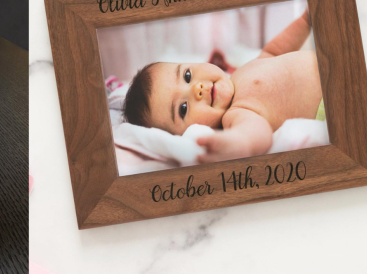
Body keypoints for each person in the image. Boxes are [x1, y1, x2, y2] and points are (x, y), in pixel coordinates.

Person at [123, 9, 321, 164]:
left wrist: (305, 21)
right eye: (183, 109)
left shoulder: (240, 73)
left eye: (187, 75)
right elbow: (255, 133)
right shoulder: (235, 114)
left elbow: (273, 51)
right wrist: (239, 144)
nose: (196, 89)